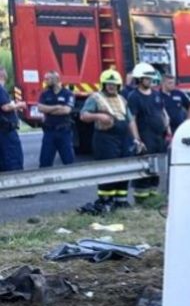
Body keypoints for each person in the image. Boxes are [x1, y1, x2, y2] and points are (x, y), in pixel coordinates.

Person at [79, 69, 142, 211]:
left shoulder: (122, 99)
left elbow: (130, 120)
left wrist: (136, 139)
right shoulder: (95, 98)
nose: (111, 86)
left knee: (125, 167)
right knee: (108, 169)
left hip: (124, 138)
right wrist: (99, 117)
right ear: (103, 84)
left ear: (119, 86)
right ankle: (105, 201)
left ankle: (121, 200)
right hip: (105, 138)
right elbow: (83, 115)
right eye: (108, 84)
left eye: (114, 84)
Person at [126, 63, 170, 201]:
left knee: (156, 169)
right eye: (147, 78)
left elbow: (163, 113)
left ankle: (152, 199)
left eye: (151, 77)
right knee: (144, 169)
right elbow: (132, 119)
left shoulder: (156, 95)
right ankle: (141, 200)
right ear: (140, 78)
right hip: (145, 137)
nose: (149, 80)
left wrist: (168, 131)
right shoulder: (134, 96)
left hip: (158, 137)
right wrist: (137, 139)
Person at [36, 71, 76, 168]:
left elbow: (66, 110)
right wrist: (57, 107)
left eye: (48, 79)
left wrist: (48, 110)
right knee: (45, 163)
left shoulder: (68, 94)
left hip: (64, 132)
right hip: (49, 132)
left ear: (57, 79)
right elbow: (40, 108)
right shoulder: (45, 94)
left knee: (69, 162)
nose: (46, 81)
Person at [0, 69, 27, 172]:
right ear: (2, 76)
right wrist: (19, 105)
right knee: (13, 160)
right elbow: (5, 107)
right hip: (6, 131)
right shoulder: (0, 89)